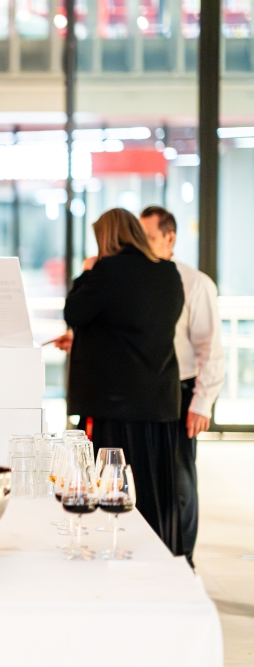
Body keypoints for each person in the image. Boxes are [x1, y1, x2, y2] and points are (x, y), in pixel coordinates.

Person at [57, 208, 186, 561]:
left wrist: (85, 272)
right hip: (159, 401)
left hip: (115, 403)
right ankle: (158, 559)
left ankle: (112, 554)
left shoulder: (106, 270)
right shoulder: (169, 272)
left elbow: (75, 313)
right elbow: (138, 326)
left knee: (112, 487)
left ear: (107, 238)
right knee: (153, 490)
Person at [139, 205, 224, 566]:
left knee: (180, 484)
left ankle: (183, 559)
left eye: (150, 238)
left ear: (170, 238)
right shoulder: (137, 282)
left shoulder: (195, 283)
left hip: (182, 391)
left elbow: (210, 348)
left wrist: (202, 402)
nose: (143, 245)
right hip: (143, 392)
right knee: (146, 479)